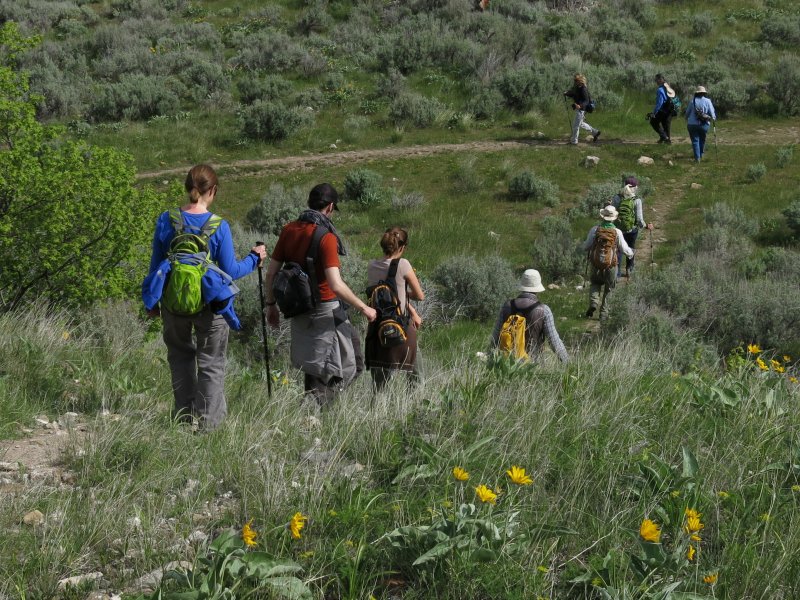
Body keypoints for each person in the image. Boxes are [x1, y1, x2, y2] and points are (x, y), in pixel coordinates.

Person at [146, 164, 267, 430]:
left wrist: (152, 303)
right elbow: (230, 271)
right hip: (210, 305)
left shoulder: (166, 220)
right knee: (211, 363)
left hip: (173, 301)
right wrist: (254, 258)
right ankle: (208, 427)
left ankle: (183, 419)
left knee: (179, 358)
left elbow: (156, 266)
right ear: (212, 190)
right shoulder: (218, 226)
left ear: (187, 187)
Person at [264, 183, 377, 406]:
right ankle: (321, 410)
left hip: (298, 308)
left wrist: (271, 305)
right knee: (349, 363)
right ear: (330, 207)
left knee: (314, 363)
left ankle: (316, 410)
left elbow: (271, 273)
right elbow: (335, 284)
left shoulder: (289, 230)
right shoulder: (326, 237)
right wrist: (364, 308)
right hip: (326, 309)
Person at [365, 227, 425, 390]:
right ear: (402, 247)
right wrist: (407, 296)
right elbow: (420, 296)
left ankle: (375, 414)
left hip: (377, 328)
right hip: (401, 327)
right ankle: (413, 410)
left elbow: (385, 298)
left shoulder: (372, 266)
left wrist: (409, 306)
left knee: (379, 385)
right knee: (416, 377)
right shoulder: (403, 264)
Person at [491, 269, 569, 363]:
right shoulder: (544, 310)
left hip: (506, 364)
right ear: (537, 288)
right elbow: (554, 342)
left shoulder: (507, 306)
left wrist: (489, 359)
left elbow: (495, 337)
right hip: (533, 366)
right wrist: (568, 364)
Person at [582, 205, 633, 321]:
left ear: (603, 216)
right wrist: (631, 253)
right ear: (614, 218)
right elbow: (624, 248)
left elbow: (586, 246)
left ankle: (594, 303)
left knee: (595, 283)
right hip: (610, 265)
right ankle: (604, 314)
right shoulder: (617, 232)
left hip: (595, 264)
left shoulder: (595, 229)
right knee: (609, 288)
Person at [609, 176, 653, 278]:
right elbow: (639, 219)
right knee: (630, 248)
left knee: (619, 250)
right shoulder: (637, 200)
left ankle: (617, 273)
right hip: (632, 230)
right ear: (634, 187)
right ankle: (629, 269)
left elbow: (613, 213)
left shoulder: (617, 198)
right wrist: (646, 226)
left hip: (618, 229)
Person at [564, 73, 600, 145]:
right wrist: (567, 93)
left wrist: (580, 106)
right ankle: (595, 132)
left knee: (575, 125)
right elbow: (574, 93)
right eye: (574, 80)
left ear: (580, 81)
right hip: (579, 108)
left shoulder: (583, 89)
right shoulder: (578, 87)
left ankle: (574, 142)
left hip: (581, 109)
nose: (575, 81)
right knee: (580, 124)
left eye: (576, 80)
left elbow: (586, 101)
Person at [685, 86, 716, 163]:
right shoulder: (708, 101)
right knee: (702, 139)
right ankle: (701, 154)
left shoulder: (693, 101)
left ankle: (697, 158)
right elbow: (712, 113)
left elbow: (687, 113)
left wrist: (686, 119)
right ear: (704, 93)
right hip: (704, 124)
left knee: (695, 140)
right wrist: (713, 119)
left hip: (692, 124)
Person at [648, 74, 676, 144]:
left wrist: (654, 112)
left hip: (663, 109)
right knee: (666, 124)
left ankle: (664, 137)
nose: (656, 81)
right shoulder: (668, 87)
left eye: (656, 80)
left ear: (660, 79)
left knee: (653, 122)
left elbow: (659, 103)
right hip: (670, 109)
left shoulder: (660, 90)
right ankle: (666, 140)